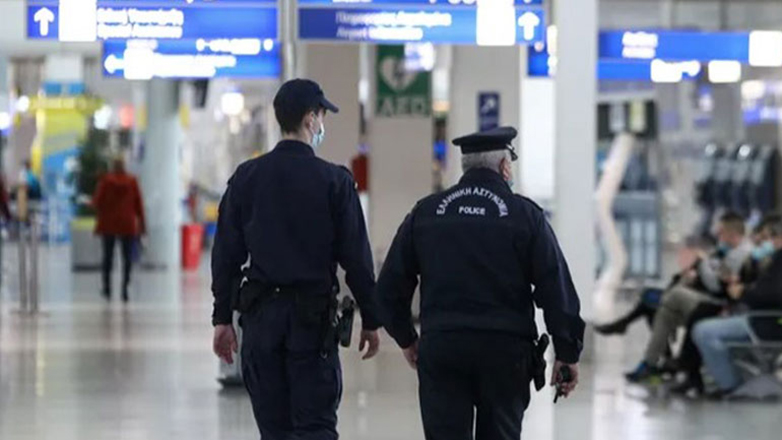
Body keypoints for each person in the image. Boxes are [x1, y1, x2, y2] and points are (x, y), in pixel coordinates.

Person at [375, 127, 584, 440]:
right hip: (505, 353)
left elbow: (388, 289)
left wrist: (407, 339)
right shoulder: (525, 216)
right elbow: (555, 287)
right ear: (504, 167)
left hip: (444, 347)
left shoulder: (426, 213)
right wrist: (567, 352)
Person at [210, 79, 381, 440]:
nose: (322, 124)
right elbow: (357, 258)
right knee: (316, 428)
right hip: (311, 323)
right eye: (322, 116)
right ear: (309, 119)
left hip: (261, 323)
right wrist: (371, 317)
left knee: (274, 430)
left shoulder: (247, 179)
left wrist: (222, 318)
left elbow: (225, 255)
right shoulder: (334, 182)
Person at [626, 212, 752, 382]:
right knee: (666, 313)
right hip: (708, 299)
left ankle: (655, 356)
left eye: (721, 232)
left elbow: (717, 285)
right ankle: (651, 362)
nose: (718, 236)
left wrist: (704, 263)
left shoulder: (740, 255)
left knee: (674, 296)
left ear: (732, 234)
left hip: (719, 304)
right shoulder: (725, 252)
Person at [692, 216, 782, 398]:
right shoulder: (775, 258)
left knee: (704, 331)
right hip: (764, 317)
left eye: (773, 237)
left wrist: (743, 293)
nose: (771, 241)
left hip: (768, 321)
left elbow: (772, 294)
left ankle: (730, 385)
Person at [93, 157, 146, 302]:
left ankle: (107, 289)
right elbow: (139, 204)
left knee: (107, 258)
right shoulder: (132, 181)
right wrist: (142, 224)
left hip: (108, 224)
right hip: (127, 224)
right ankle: (125, 289)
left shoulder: (106, 181)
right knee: (127, 258)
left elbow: (97, 202)